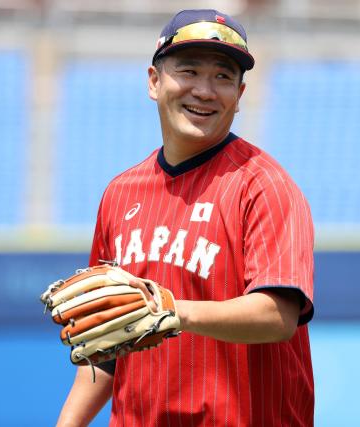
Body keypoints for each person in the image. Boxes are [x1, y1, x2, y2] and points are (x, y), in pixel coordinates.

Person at [56, 9, 315, 427]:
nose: (205, 90)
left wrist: (173, 311)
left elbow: (277, 316)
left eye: (223, 77)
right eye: (189, 71)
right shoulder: (120, 194)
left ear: (241, 93)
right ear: (154, 82)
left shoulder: (264, 186)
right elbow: (106, 342)